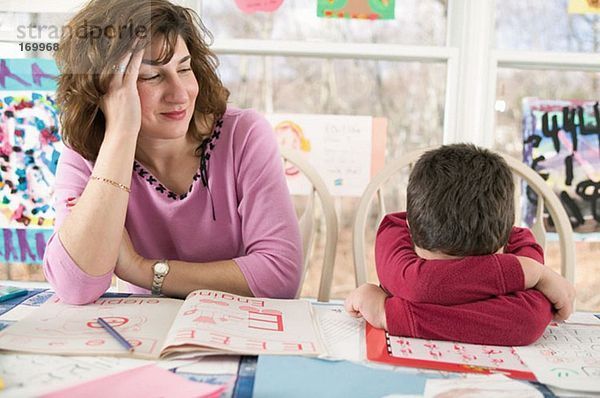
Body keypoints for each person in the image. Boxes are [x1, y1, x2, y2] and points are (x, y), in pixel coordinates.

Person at [43, 0, 302, 304]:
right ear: (101, 88)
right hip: (144, 335)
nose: (180, 94)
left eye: (184, 68)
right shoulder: (87, 153)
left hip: (239, 330)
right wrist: (121, 134)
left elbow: (280, 277)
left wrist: (141, 270)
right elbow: (74, 287)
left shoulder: (244, 135)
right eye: (152, 76)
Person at [345, 144, 576, 346]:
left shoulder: (523, 247)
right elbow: (420, 284)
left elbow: (527, 320)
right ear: (410, 229)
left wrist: (388, 313)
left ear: (505, 241)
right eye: (438, 267)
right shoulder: (394, 231)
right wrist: (529, 272)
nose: (456, 284)